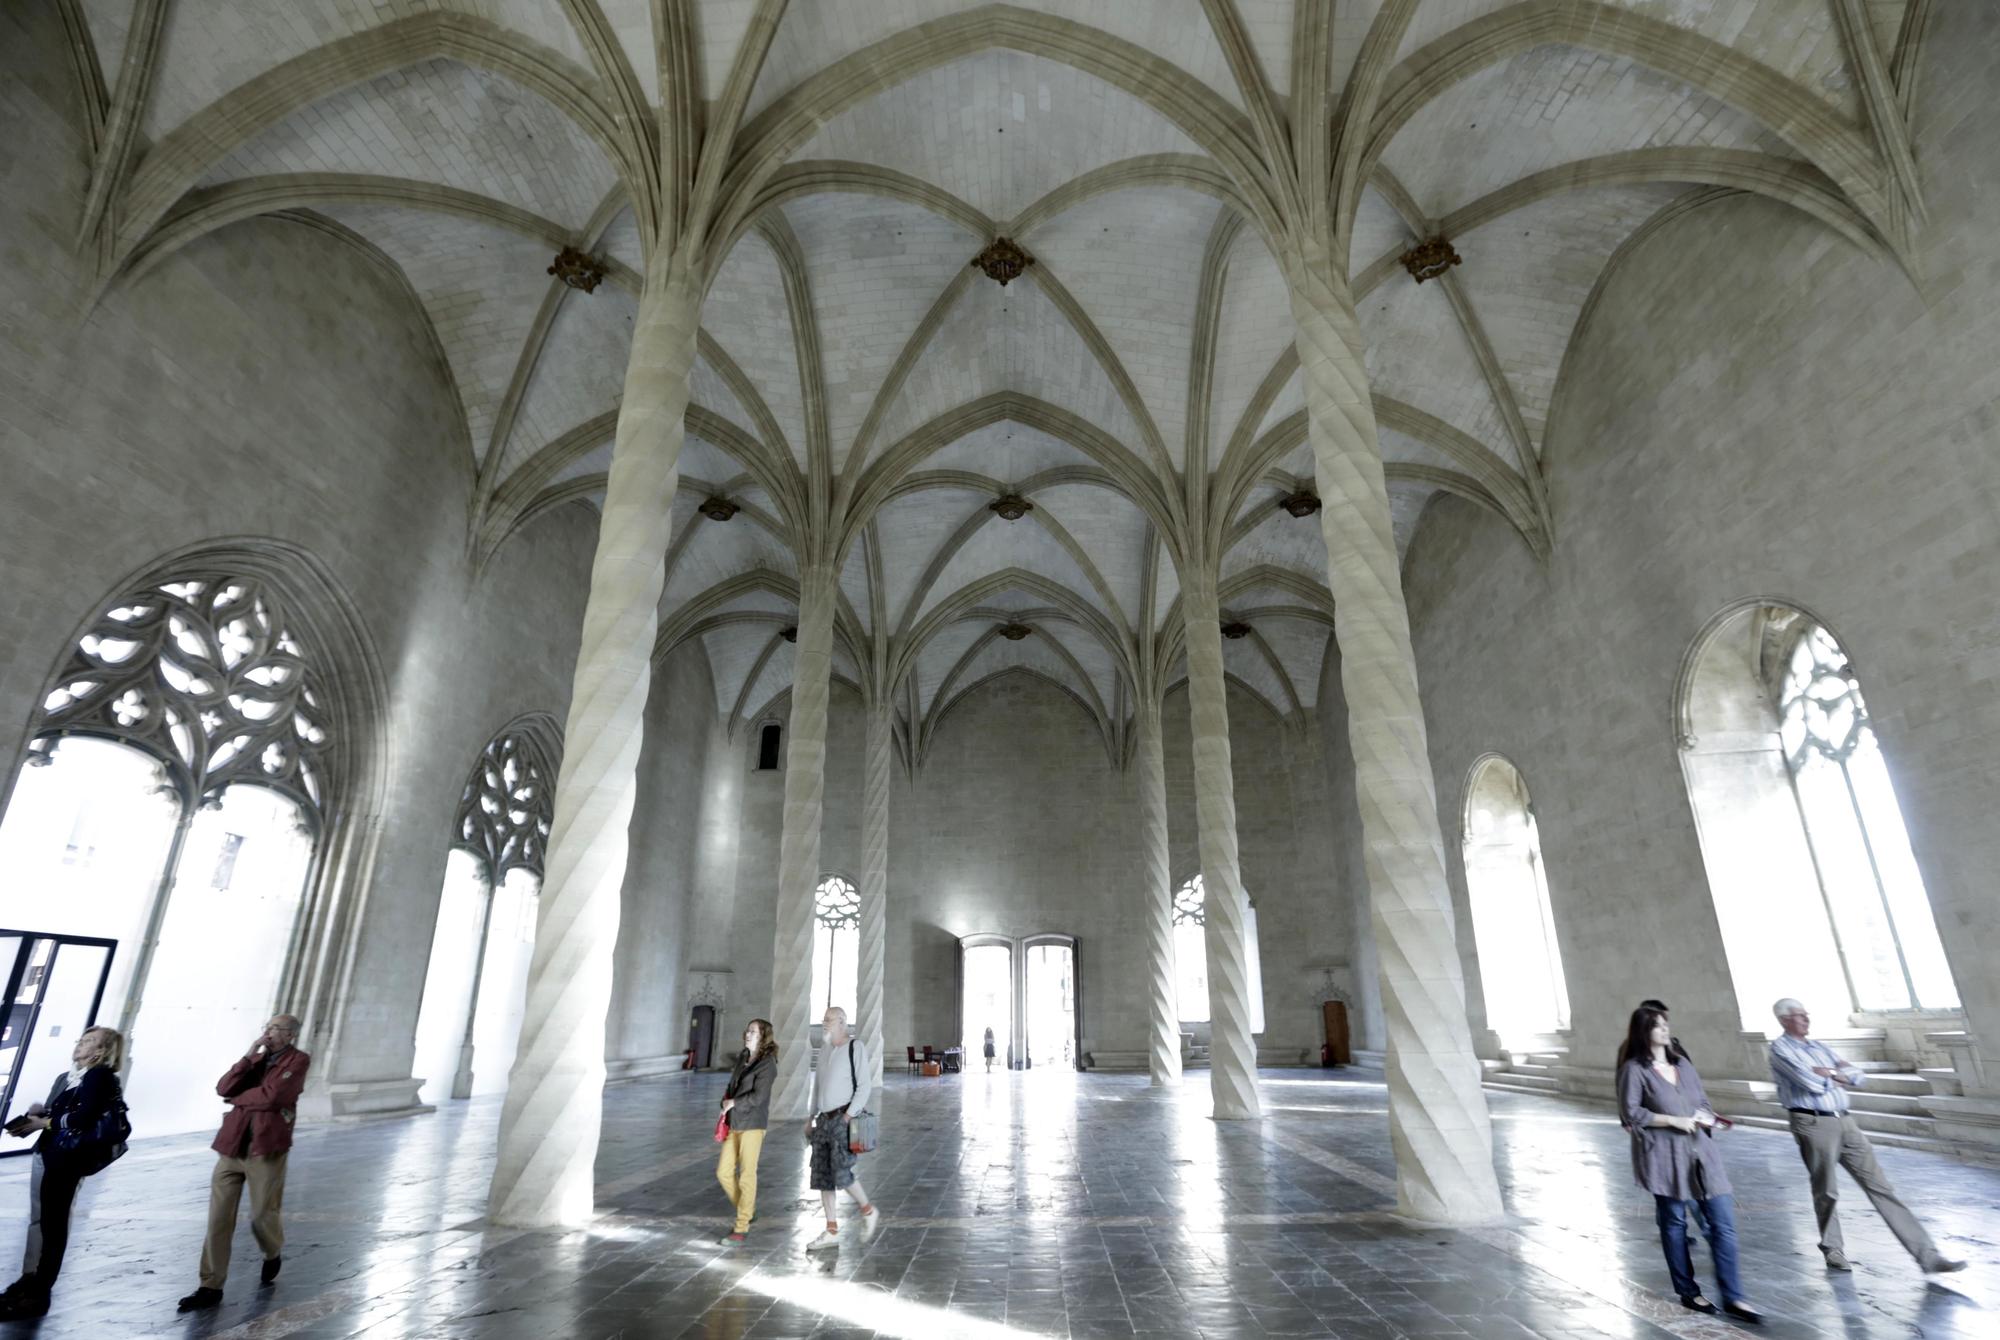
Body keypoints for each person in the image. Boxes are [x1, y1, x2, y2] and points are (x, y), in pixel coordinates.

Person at [1768, 998, 1965, 1274]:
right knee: (1826, 1190)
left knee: (1881, 1187)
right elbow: (1810, 1084)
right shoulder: (1780, 1049)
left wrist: (1832, 1073)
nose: (1805, 1019)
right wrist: (1836, 1075)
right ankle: (1832, 1248)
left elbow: (1857, 1075)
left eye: (1805, 1013)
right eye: (1799, 1015)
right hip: (1813, 1123)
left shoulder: (1818, 1047)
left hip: (1845, 1121)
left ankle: (1928, 1256)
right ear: (1783, 1020)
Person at [1619, 1006, 1762, 1323]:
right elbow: (1630, 1113)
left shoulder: (1682, 1063)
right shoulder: (1635, 1069)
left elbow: (1702, 1101)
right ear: (1643, 1032)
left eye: (1665, 1024)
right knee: (1674, 1224)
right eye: (1657, 1026)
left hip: (1702, 1152)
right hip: (1664, 1156)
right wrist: (1670, 1119)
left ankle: (1734, 1297)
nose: (1664, 1030)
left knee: (1723, 1225)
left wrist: (1708, 1119)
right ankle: (1689, 1291)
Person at [178, 1014, 312, 1312]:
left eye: (277, 1029)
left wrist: (239, 1098)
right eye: (268, 1027)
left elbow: (274, 1097)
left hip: (266, 1148)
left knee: (262, 1214)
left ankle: (272, 1250)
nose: (270, 1032)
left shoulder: (298, 1061)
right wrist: (250, 1055)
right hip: (232, 1145)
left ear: (290, 1035)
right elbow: (224, 1088)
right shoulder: (255, 1061)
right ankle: (209, 1285)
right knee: (217, 1219)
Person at [0, 1026, 128, 1319]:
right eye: (81, 1039)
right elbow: (63, 1117)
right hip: (53, 1154)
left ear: (101, 1051)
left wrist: (42, 1124)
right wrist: (38, 1116)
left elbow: (82, 1119)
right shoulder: (72, 1077)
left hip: (67, 1159)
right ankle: (30, 1285)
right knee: (46, 1222)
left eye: (89, 1041)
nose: (80, 1044)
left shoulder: (99, 1076)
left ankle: (38, 1294)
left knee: (53, 1227)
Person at [804, 1006, 878, 1252]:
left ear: (842, 1023)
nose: (825, 1023)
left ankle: (868, 1210)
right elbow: (819, 1086)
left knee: (842, 1172)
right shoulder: (826, 1049)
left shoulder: (855, 1047)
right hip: (823, 1120)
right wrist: (810, 1116)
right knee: (823, 1175)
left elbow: (864, 1086)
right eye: (823, 1019)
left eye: (829, 1019)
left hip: (842, 1119)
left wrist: (847, 1116)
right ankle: (831, 1229)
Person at [717, 1018, 776, 1245]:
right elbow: (732, 1085)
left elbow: (759, 1098)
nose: (747, 1034)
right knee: (723, 1172)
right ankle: (748, 1210)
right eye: (747, 1030)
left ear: (763, 1036)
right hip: (735, 1122)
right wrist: (724, 1104)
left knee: (747, 1175)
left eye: (753, 1031)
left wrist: (734, 1103)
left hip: (752, 1125)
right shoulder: (743, 1057)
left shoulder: (768, 1064)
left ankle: (741, 1227)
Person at [1614, 999, 1690, 1069]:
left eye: (1665, 1023)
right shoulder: (1627, 1052)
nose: (1664, 1028)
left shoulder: (1673, 1046)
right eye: (1656, 1024)